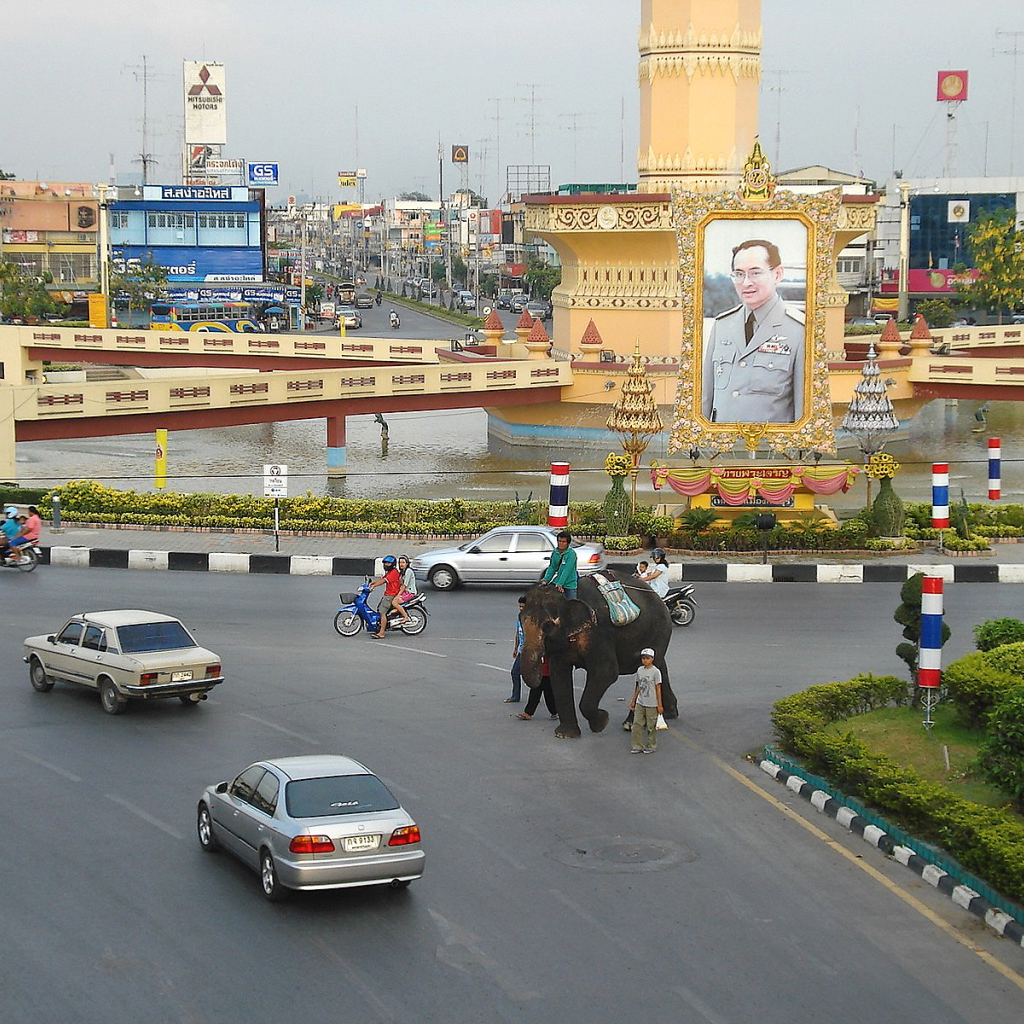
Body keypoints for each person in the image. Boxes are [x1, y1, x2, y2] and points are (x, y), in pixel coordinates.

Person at [701, 238, 806, 424]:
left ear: (777, 274)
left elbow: (804, 414)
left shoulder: (799, 331)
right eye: (739, 274)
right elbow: (705, 399)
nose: (746, 282)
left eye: (755, 273)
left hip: (771, 442)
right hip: (722, 441)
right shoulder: (723, 325)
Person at [629, 648, 664, 754]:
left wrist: (659, 705)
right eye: (643, 658)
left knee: (651, 726)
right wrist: (634, 700)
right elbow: (638, 686)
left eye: (648, 658)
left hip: (652, 704)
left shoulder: (656, 672)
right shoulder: (640, 670)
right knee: (637, 724)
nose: (645, 660)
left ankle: (651, 745)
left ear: (652, 659)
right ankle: (637, 745)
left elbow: (658, 689)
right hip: (640, 702)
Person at [367, 554, 409, 638]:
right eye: (385, 563)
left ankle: (381, 633)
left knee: (382, 612)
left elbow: (384, 581)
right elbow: (382, 579)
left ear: (392, 564)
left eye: (388, 563)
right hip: (388, 594)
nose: (386, 565)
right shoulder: (390, 572)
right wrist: (373, 583)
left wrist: (374, 586)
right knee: (379, 609)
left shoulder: (394, 573)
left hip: (391, 595)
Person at [516, 655, 558, 721]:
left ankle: (554, 711)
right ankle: (528, 712)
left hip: (548, 672)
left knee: (548, 694)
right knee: (536, 691)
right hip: (540, 671)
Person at [541, 529, 578, 600]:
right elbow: (552, 567)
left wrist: (560, 583)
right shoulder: (555, 552)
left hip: (569, 584)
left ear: (568, 543)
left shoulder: (571, 554)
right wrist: (546, 579)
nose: (561, 543)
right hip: (557, 582)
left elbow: (567, 570)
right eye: (559, 541)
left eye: (563, 542)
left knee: (572, 603)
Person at [505, 595, 527, 704]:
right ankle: (515, 696)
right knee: (515, 672)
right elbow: (518, 634)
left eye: (523, 607)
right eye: (520, 607)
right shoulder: (519, 619)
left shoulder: (531, 619)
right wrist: (515, 648)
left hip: (529, 651)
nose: (521, 609)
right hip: (521, 650)